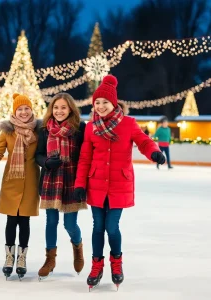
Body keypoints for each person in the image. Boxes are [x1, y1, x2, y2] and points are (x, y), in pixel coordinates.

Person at [74, 75, 165, 291]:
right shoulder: (90, 127)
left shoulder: (128, 124)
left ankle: (116, 262)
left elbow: (144, 141)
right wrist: (79, 184)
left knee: (111, 227)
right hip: (95, 183)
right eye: (97, 102)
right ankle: (97, 265)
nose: (101, 106)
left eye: (105, 102)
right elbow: (85, 157)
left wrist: (154, 153)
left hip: (118, 184)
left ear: (114, 103)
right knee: (98, 228)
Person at [0, 93, 41, 280]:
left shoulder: (39, 131)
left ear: (31, 110)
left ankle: (22, 258)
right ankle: (9, 257)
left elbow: (43, 153)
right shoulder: (7, 131)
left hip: (30, 181)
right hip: (12, 180)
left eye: (27, 108)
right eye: (20, 109)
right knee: (12, 220)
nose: (24, 112)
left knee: (24, 221)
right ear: (15, 111)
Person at [35, 92, 87, 280]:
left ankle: (78, 247)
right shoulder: (44, 129)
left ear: (70, 109)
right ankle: (50, 260)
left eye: (63, 107)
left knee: (70, 224)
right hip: (51, 180)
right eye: (56, 107)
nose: (59, 111)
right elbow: (38, 154)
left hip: (72, 180)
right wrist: (47, 162)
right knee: (51, 222)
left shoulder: (80, 128)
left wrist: (83, 182)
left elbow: (85, 157)